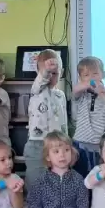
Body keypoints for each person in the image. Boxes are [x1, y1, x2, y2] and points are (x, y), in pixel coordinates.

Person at [24, 50, 68, 190]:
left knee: (56, 183)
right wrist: (46, 71)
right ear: (39, 72)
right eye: (47, 73)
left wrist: (66, 141)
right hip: (37, 144)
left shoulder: (61, 95)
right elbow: (41, 80)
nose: (50, 76)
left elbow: (64, 120)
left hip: (57, 145)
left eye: (54, 73)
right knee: (35, 183)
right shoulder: (36, 90)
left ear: (61, 73)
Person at [72, 56, 105, 177]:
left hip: (101, 146)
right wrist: (89, 83)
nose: (91, 77)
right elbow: (75, 90)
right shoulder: (81, 95)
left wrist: (102, 93)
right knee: (81, 176)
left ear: (103, 75)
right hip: (81, 144)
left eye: (95, 74)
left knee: (101, 176)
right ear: (80, 78)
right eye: (86, 75)